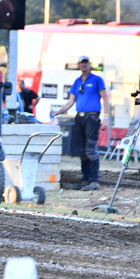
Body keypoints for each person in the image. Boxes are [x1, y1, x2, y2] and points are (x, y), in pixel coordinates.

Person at [51, 55, 109, 191]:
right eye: (81, 63)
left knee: (90, 149)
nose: (84, 65)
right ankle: (85, 179)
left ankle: (94, 181)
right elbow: (71, 101)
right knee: (82, 150)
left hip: (92, 117)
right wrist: (58, 112)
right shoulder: (77, 82)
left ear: (89, 64)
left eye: (86, 62)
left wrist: (106, 117)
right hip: (79, 118)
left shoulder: (97, 80)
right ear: (78, 65)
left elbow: (105, 99)